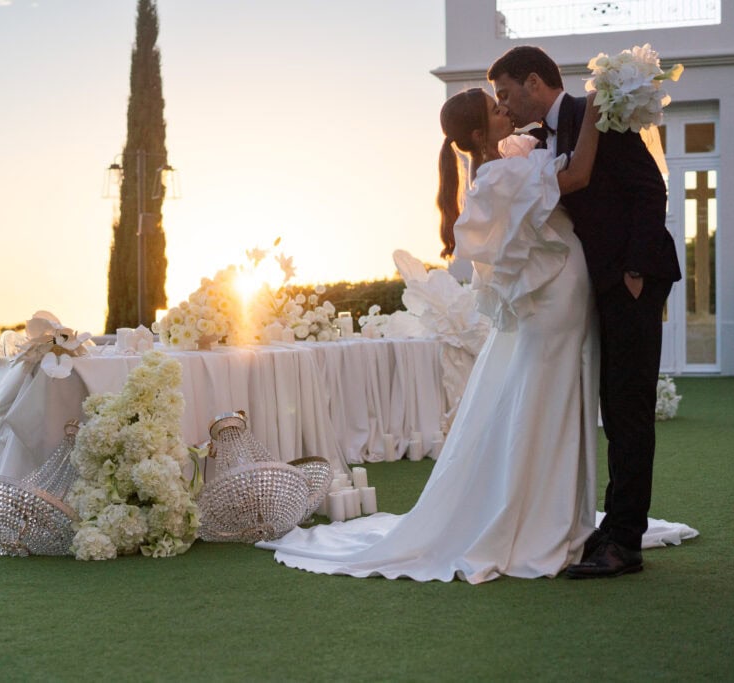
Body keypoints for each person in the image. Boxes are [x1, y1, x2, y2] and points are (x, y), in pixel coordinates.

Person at [257, 88, 614, 583]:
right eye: (495, 110)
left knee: (545, 395)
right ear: (478, 133)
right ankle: (540, 517)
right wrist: (593, 113)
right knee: (547, 398)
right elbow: (574, 176)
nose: (505, 111)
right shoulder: (502, 174)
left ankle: (550, 510)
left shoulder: (500, 166)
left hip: (556, 293)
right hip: (553, 296)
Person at [488, 46, 683, 579]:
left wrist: (635, 270)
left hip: (631, 280)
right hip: (601, 285)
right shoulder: (541, 139)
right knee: (613, 407)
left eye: (505, 93)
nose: (503, 105)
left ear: (533, 82)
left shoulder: (596, 114)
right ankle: (615, 526)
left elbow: (651, 189)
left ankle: (625, 542)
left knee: (628, 408)